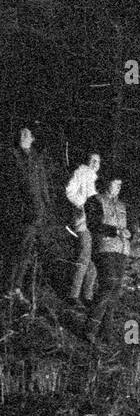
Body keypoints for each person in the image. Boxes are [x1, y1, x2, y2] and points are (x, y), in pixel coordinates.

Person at [6, 124, 53, 308]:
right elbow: (10, 186)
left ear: (32, 138)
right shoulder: (11, 155)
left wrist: (46, 205)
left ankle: (16, 288)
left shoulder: (35, 158)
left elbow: (43, 184)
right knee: (15, 250)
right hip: (19, 213)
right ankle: (8, 288)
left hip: (36, 213)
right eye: (21, 132)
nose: (23, 135)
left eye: (27, 133)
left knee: (25, 252)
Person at [83, 173, 131, 345]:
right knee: (108, 285)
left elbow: (130, 226)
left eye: (120, 184)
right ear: (106, 183)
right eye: (115, 183)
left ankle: (107, 333)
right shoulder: (94, 200)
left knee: (115, 290)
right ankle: (90, 328)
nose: (118, 187)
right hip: (104, 248)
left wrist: (131, 232)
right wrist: (115, 231)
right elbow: (93, 224)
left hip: (121, 250)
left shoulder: (122, 205)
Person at [65, 151, 100, 307]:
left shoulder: (95, 178)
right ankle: (73, 295)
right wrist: (80, 204)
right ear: (87, 161)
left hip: (94, 224)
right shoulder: (81, 172)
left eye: (97, 161)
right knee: (84, 256)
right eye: (92, 160)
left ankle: (88, 295)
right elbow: (69, 190)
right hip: (82, 221)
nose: (94, 163)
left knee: (92, 259)